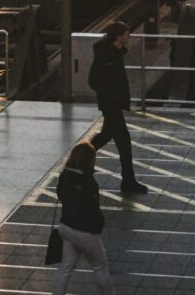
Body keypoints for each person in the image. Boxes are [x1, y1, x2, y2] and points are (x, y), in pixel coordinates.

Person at [87, 21, 148, 194]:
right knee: (124, 143)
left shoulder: (114, 53)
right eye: (126, 33)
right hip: (110, 105)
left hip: (114, 104)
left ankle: (80, 162)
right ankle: (128, 181)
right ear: (118, 36)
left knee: (104, 136)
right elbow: (93, 81)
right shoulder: (106, 56)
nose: (129, 36)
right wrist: (112, 95)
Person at [52, 143, 116, 295]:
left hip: (66, 226)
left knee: (65, 268)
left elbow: (61, 196)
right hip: (84, 231)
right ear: (89, 160)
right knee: (100, 267)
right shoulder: (88, 182)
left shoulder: (65, 175)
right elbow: (92, 209)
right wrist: (98, 225)